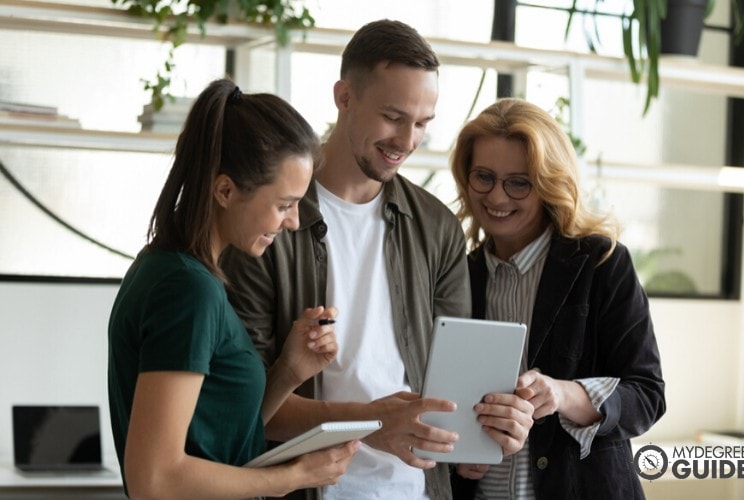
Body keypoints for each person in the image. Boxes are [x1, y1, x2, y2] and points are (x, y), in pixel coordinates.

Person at [219, 20, 533, 500]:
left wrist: (488, 434)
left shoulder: (437, 229)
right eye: (393, 116)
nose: (407, 140)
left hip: (418, 490)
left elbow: (455, 393)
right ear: (344, 96)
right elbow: (246, 410)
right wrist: (371, 424)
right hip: (304, 489)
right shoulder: (267, 224)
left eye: (423, 123)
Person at [107, 78, 360, 500]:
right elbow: (154, 478)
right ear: (225, 190)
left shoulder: (172, 270)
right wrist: (293, 476)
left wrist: (287, 372)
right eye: (284, 204)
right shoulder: (188, 290)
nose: (294, 222)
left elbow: (216, 438)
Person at [448, 98, 666, 499]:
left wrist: (564, 394)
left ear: (548, 184)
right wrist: (456, 457)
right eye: (484, 177)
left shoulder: (600, 264)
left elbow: (647, 395)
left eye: (518, 182)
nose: (497, 197)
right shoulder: (457, 275)